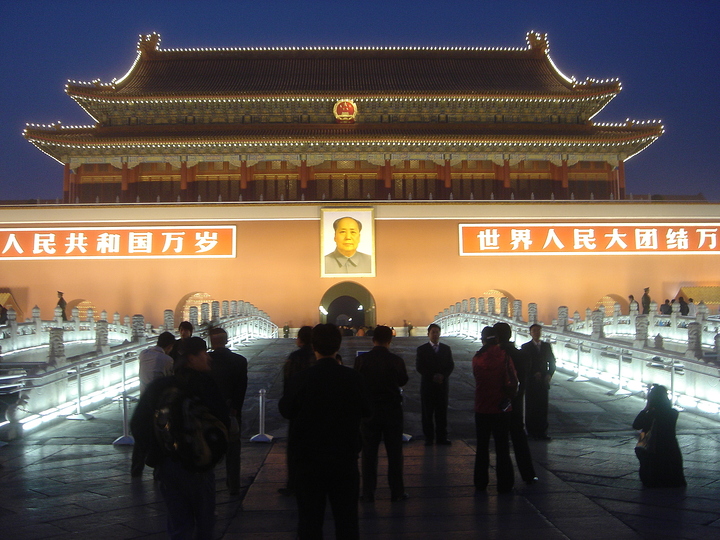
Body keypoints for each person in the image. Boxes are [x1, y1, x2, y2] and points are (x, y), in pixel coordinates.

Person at [130, 336, 230, 539]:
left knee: (179, 524)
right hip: (199, 465)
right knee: (204, 523)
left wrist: (157, 454)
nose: (208, 359)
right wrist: (212, 455)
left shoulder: (160, 386)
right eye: (204, 355)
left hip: (168, 465)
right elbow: (222, 422)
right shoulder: (205, 385)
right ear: (192, 358)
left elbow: (138, 424)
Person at [279, 323, 371, 540]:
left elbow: (286, 410)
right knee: (347, 522)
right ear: (338, 345)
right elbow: (367, 410)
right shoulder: (353, 378)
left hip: (309, 461)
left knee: (309, 523)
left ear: (314, 347)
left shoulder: (300, 379)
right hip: (344, 459)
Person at [354, 325, 409, 502]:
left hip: (370, 411)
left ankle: (368, 492)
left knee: (369, 453)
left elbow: (357, 381)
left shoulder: (362, 360)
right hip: (392, 410)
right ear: (389, 340)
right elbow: (403, 380)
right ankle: (397, 491)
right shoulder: (396, 360)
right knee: (394, 453)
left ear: (373, 340)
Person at [472, 326, 517, 494]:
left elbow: (477, 378)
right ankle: (505, 484)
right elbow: (512, 381)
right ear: (497, 339)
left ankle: (480, 482)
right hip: (501, 409)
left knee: (482, 447)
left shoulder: (477, 358)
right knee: (502, 448)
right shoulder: (504, 356)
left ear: (483, 339)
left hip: (482, 407)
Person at [494, 322, 537, 484]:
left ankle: (505, 480)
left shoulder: (496, 355)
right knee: (519, 439)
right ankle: (529, 474)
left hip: (499, 404)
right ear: (510, 335)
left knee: (502, 442)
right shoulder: (522, 355)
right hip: (517, 403)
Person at [208, 327, 248, 496]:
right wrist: (235, 408)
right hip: (231, 411)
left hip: (209, 413)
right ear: (226, 340)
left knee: (208, 450)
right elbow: (241, 389)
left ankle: (208, 487)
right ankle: (234, 485)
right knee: (233, 450)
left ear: (211, 341)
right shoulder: (239, 361)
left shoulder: (206, 360)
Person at [131, 331, 176, 477]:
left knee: (141, 438)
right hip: (159, 404)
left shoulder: (143, 354)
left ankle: (136, 469)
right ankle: (158, 472)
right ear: (169, 346)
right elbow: (170, 379)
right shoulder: (167, 359)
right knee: (160, 437)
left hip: (144, 399)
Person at [279, 325, 315, 496]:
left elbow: (288, 384)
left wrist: (287, 406)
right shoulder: (317, 355)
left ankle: (293, 484)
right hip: (316, 408)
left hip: (298, 410)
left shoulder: (294, 358)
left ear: (300, 339)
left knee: (295, 450)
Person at [632, 384, 686, 488]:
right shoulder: (673, 413)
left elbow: (636, 425)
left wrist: (646, 408)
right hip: (670, 445)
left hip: (652, 446)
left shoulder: (651, 415)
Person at [416, 323, 455, 445]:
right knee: (427, 413)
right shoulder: (422, 349)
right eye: (433, 332)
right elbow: (419, 367)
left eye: (437, 332)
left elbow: (450, 365)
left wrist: (443, 376)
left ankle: (441, 437)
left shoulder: (445, 349)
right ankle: (428, 437)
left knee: (442, 412)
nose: (435, 334)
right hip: (428, 386)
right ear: (428, 334)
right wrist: (432, 376)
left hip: (442, 385)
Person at [521, 324, 556, 440]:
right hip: (531, 382)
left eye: (538, 331)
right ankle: (530, 431)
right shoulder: (525, 347)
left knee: (543, 406)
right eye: (534, 331)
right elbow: (524, 365)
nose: (537, 333)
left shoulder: (546, 346)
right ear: (530, 333)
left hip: (543, 381)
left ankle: (542, 431)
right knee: (531, 406)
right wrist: (533, 373)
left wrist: (549, 374)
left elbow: (552, 362)